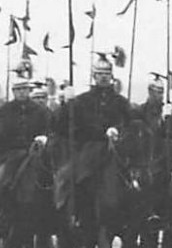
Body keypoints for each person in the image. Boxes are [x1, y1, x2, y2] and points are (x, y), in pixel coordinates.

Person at [47, 50, 133, 213]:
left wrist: (118, 131)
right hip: (86, 150)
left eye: (106, 73)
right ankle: (64, 213)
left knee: (135, 181)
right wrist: (66, 104)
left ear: (111, 76)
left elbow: (131, 125)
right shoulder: (81, 100)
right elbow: (59, 126)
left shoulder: (121, 102)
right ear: (94, 76)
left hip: (114, 149)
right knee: (66, 177)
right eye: (99, 73)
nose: (103, 77)